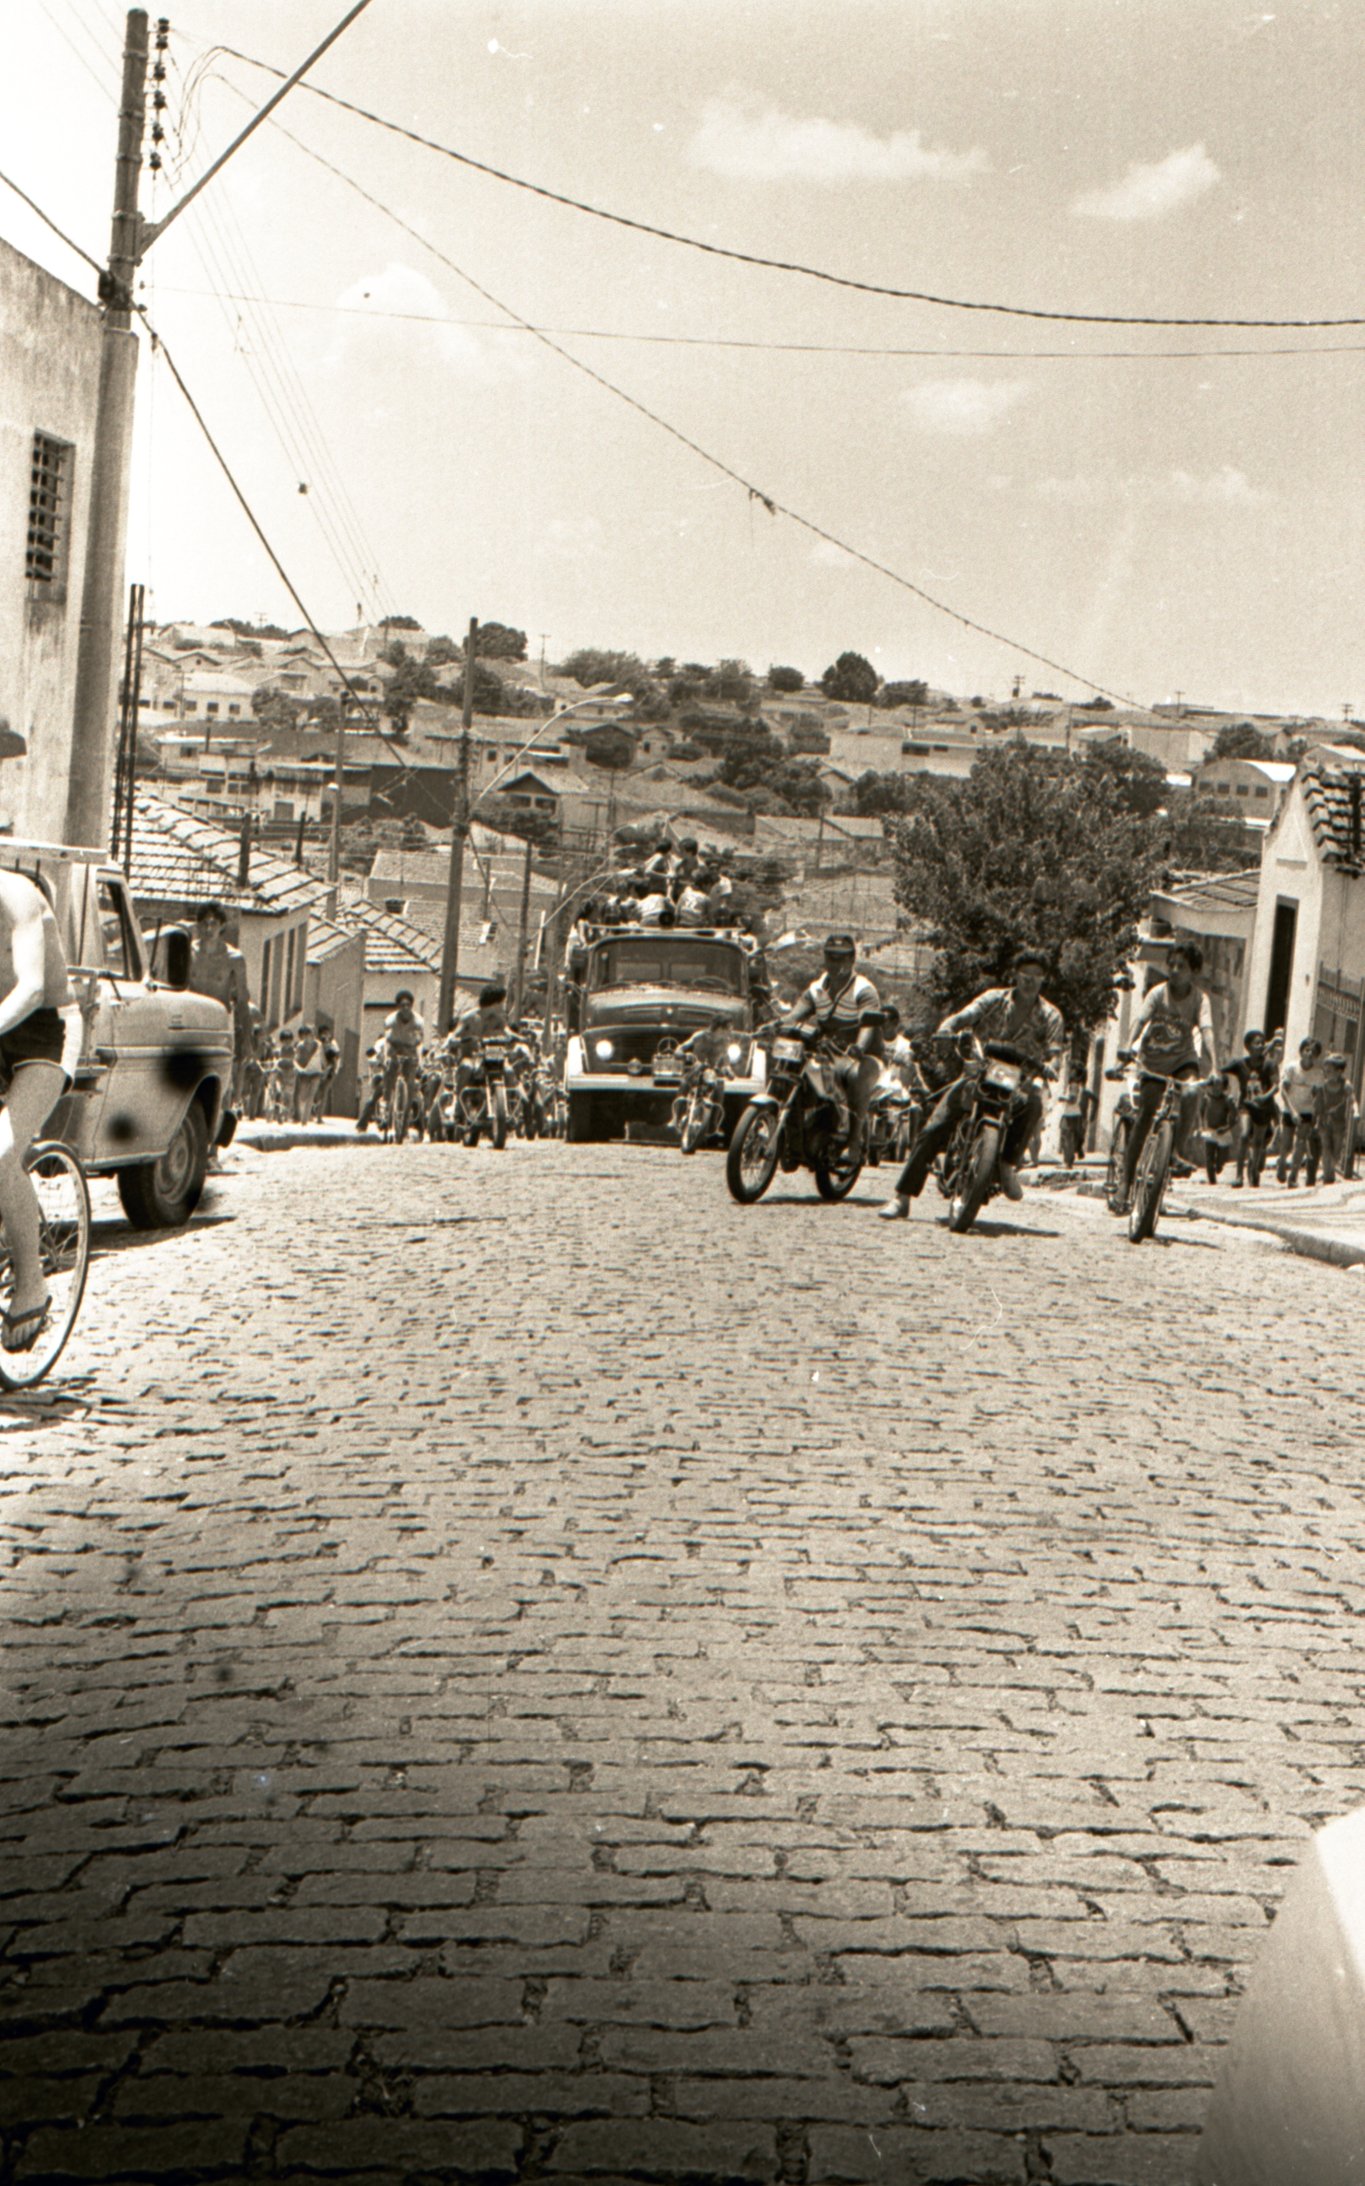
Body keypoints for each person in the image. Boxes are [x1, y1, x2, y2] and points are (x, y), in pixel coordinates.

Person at [878, 946, 1064, 1217]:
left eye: (1037, 976)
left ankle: (1008, 1165)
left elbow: (1055, 1054)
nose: (1030, 981)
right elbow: (966, 1015)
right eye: (1025, 975)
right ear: (1015, 975)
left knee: (1033, 1104)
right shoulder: (994, 999)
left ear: (1043, 979)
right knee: (935, 1125)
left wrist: (1050, 1067)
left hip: (1018, 1081)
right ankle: (902, 1198)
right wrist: (948, 1027)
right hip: (979, 1072)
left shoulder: (1051, 1015)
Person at [0, 871, 78, 1350]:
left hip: (46, 1034)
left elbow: (31, 989)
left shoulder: (17, 896)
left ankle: (31, 1281)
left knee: (0, 1152)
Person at [1119, 942, 1217, 1204]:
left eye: (1181, 966)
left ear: (1193, 971)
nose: (1174, 970)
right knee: (1146, 1114)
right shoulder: (1157, 993)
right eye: (1171, 965)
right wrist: (1127, 1045)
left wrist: (1215, 1066)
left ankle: (1176, 1152)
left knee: (1191, 1092)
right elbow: (1140, 1021)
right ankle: (1125, 1181)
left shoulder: (1199, 999)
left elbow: (1207, 1031)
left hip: (1183, 1058)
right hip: (1154, 1061)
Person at [788, 933, 883, 1162]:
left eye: (841, 957)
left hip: (862, 1056)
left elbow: (868, 1025)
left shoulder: (864, 990)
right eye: (831, 957)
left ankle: (854, 1143)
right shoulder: (816, 989)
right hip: (827, 1052)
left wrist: (859, 1047)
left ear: (852, 959)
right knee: (792, 1065)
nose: (835, 963)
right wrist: (775, 1025)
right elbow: (794, 1015)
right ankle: (792, 1137)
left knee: (857, 1075)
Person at [188, 902, 254, 1110]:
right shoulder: (189, 953)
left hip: (219, 1027)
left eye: (213, 924)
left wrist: (247, 1040)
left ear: (222, 926)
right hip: (192, 1025)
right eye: (204, 924)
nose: (209, 929)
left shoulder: (234, 959)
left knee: (219, 1084)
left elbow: (242, 1001)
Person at [1278, 1036, 1325, 1185]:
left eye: (1313, 1052)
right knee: (1286, 1143)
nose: (1310, 1054)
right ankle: (1281, 1163)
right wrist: (1292, 1111)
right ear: (1301, 1051)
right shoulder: (1292, 1068)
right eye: (1307, 1050)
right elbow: (1283, 1091)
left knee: (1300, 1142)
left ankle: (1293, 1175)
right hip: (1290, 1109)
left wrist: (1315, 1114)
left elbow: (1318, 1095)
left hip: (1306, 1110)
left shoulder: (1318, 1073)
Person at [383, 989, 425, 1114]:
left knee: (410, 1083)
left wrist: (420, 1060)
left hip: (410, 1050)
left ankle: (406, 1115)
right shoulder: (391, 1020)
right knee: (389, 1071)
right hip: (395, 1048)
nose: (406, 1007)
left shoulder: (418, 1021)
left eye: (408, 1005)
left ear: (411, 1006)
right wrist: (386, 1057)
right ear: (398, 1006)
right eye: (402, 1005)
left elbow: (419, 1043)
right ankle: (386, 1104)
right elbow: (387, 1041)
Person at [1316, 1052, 1352, 1185]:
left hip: (1339, 1123)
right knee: (1326, 1147)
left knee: (1337, 1150)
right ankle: (1328, 1176)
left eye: (1329, 1071)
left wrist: (1355, 1111)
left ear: (1339, 1071)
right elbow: (1318, 1103)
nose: (1326, 1073)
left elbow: (1352, 1099)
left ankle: (1330, 1169)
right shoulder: (1323, 1085)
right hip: (1324, 1121)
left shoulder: (1345, 1085)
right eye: (1325, 1071)